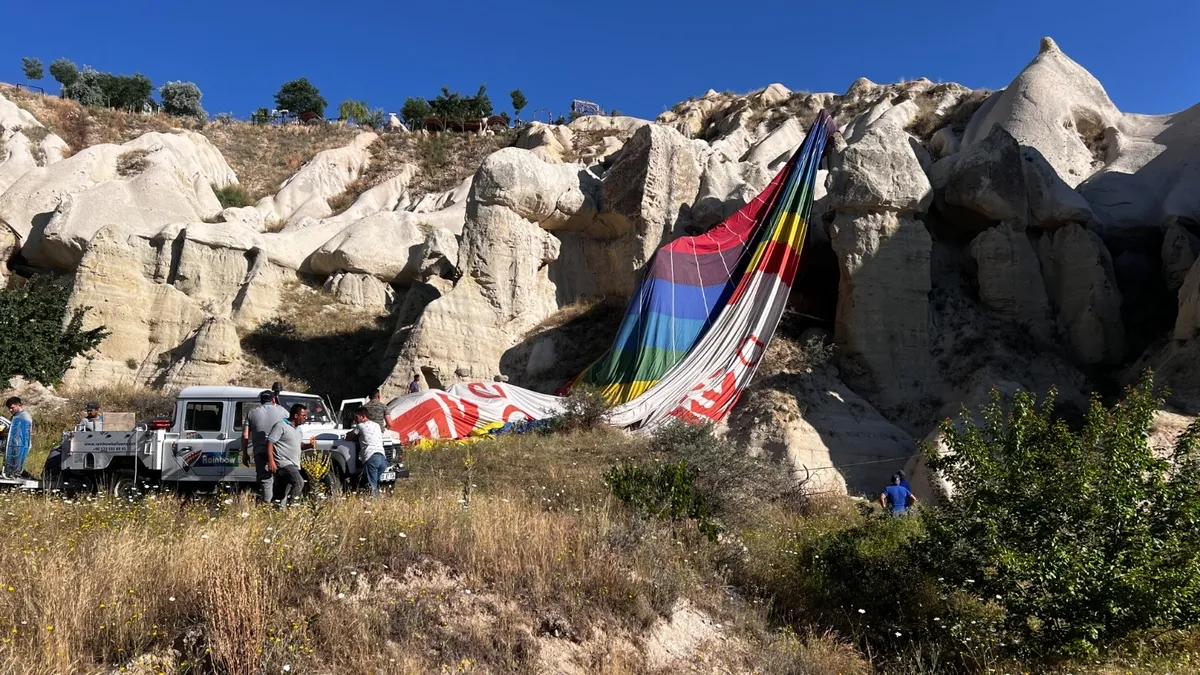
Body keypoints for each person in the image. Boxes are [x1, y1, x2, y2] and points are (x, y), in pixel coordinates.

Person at [265, 403, 317, 509]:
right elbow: (270, 442)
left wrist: (309, 445)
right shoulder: (281, 426)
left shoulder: (298, 429)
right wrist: (271, 461)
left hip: (294, 463)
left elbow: (298, 445)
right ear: (296, 416)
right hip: (283, 463)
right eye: (303, 416)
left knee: (282, 491)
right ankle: (292, 507)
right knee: (299, 482)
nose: (305, 418)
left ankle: (276, 512)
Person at [242, 390, 289, 504]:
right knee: (282, 479)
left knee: (265, 479)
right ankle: (281, 505)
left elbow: (245, 435)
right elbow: (290, 427)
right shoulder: (282, 411)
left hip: (260, 450)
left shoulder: (252, 413)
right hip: (279, 450)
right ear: (273, 399)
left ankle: (266, 505)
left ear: (261, 400)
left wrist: (244, 454)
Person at [350, 406, 387, 497]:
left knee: (372, 485)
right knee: (376, 483)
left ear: (363, 416)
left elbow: (349, 437)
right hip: (382, 458)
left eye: (357, 417)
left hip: (371, 457)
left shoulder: (360, 426)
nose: (355, 419)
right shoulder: (376, 425)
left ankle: (375, 504)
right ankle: (378, 501)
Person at [3, 397, 32, 479]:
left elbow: (26, 430)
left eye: (12, 408)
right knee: (10, 463)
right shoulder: (14, 416)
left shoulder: (25, 416)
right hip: (13, 443)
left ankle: (20, 476)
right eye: (9, 408)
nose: (10, 410)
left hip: (21, 444)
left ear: (19, 405)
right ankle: (9, 474)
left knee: (17, 464)